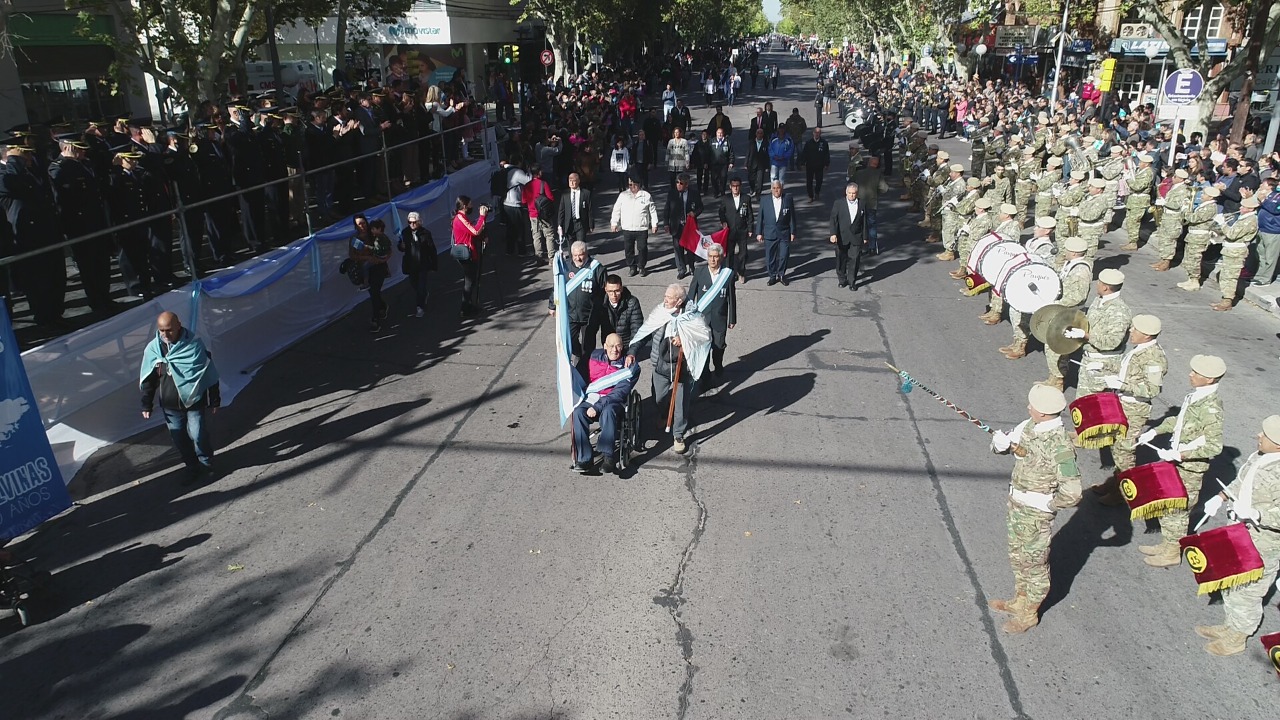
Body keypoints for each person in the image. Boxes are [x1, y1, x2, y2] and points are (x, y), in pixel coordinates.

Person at [987, 384, 1082, 634]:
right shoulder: (1029, 425)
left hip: (1036, 513)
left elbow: (1073, 492)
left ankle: (1029, 614)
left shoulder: (1060, 445)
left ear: (1043, 412)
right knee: (1017, 556)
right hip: (1017, 504)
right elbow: (1008, 446)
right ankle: (1020, 600)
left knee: (1035, 565)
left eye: (1033, 405)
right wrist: (1000, 444)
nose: (1028, 407)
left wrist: (1050, 504)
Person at [1192, 415, 1280, 657]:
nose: (1258, 436)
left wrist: (1257, 514)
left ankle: (1238, 637)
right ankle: (1230, 625)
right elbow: (1241, 483)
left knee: (1248, 592)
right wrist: (1220, 497)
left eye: (1265, 435)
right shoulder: (1260, 456)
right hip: (1239, 532)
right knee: (1232, 582)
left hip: (1262, 545)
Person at [1134, 354, 1226, 568]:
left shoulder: (1211, 408)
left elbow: (1214, 446)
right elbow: (1180, 420)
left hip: (1189, 468)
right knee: (1168, 507)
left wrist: (1181, 455)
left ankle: (1172, 553)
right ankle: (1167, 545)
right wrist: (1156, 431)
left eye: (1196, 373)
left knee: (1177, 512)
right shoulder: (1196, 396)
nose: (1190, 374)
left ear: (1210, 379)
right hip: (1177, 463)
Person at [1089, 314, 1167, 504]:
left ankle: (1123, 493)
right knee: (1116, 447)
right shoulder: (1139, 349)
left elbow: (1152, 390)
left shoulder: (1154, 358)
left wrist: (1122, 385)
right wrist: (1104, 367)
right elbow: (1126, 370)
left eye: (1135, 329)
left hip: (1134, 408)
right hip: (1122, 403)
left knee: (1124, 452)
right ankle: (1115, 483)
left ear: (1147, 335)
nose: (1131, 331)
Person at [139, 311, 221, 484]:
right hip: (170, 404)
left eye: (169, 330)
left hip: (194, 400)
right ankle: (192, 467)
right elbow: (149, 379)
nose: (165, 334)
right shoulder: (153, 349)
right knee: (179, 439)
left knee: (198, 435)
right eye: (161, 330)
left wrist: (214, 399)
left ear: (179, 325)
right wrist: (147, 404)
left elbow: (208, 371)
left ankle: (206, 463)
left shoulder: (194, 344)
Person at [1049, 268, 1129, 393]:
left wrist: (1086, 335)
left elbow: (1112, 342)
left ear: (1105, 288)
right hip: (1089, 360)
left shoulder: (1119, 311)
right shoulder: (1099, 300)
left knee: (1096, 402)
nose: (1097, 284)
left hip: (1103, 365)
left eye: (1099, 283)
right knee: (1082, 402)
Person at [570, 334, 638, 474]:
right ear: (605, 346)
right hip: (592, 398)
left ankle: (608, 457)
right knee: (577, 413)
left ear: (622, 347)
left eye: (618, 346)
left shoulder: (629, 365)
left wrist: (598, 406)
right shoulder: (592, 357)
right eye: (611, 346)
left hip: (613, 402)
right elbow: (578, 377)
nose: (615, 350)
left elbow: (619, 393)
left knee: (608, 412)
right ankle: (584, 458)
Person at [549, 240, 606, 367]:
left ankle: (584, 368)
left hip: (589, 316)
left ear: (586, 253)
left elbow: (604, 291)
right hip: (570, 314)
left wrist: (601, 311)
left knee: (588, 345)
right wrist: (553, 305)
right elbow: (557, 287)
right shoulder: (566, 267)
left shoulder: (597, 268)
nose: (578, 258)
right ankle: (578, 353)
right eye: (575, 255)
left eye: (581, 255)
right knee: (569, 340)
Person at [687, 244, 736, 378]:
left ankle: (718, 365)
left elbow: (731, 298)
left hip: (720, 318)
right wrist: (687, 315)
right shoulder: (699, 272)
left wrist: (732, 319)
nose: (713, 260)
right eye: (710, 256)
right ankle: (705, 374)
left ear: (720, 258)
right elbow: (691, 296)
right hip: (702, 319)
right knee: (704, 348)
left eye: (715, 257)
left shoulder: (728, 274)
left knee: (719, 346)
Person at [610, 174, 660, 277]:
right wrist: (614, 223)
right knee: (628, 249)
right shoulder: (623, 195)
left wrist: (654, 224)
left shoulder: (646, 195)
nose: (632, 187)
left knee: (642, 248)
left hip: (641, 228)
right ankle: (632, 267)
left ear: (639, 184)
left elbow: (652, 211)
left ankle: (641, 266)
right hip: (627, 228)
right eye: (630, 185)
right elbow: (616, 210)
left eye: (634, 185)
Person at [452, 195, 489, 316]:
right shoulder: (460, 218)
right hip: (466, 254)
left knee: (472, 280)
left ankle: (468, 304)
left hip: (470, 251)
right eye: (470, 204)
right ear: (464, 206)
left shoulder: (462, 217)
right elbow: (475, 231)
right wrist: (482, 216)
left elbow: (471, 233)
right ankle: (464, 308)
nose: (472, 206)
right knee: (469, 281)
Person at [829, 182, 868, 291]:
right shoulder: (838, 203)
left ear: (857, 193)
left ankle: (852, 281)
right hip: (842, 236)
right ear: (846, 193)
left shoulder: (862, 204)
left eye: (853, 193)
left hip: (856, 236)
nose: (851, 195)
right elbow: (833, 219)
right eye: (849, 193)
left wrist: (865, 236)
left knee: (855, 259)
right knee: (841, 259)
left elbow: (864, 221)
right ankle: (842, 279)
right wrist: (833, 234)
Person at [398, 211, 437, 318]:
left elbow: (432, 249)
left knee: (421, 286)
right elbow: (400, 246)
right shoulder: (405, 232)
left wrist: (434, 265)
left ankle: (420, 307)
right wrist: (401, 246)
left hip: (423, 263)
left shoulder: (425, 233)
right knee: (414, 284)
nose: (412, 224)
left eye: (414, 222)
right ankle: (423, 294)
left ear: (419, 222)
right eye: (409, 222)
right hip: (411, 264)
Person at [757, 180, 796, 286]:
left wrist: (793, 231)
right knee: (770, 256)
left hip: (784, 232)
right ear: (771, 189)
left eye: (778, 188)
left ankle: (781, 274)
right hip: (770, 232)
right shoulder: (765, 200)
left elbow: (792, 216)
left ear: (781, 188)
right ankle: (772, 276)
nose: (776, 190)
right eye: (774, 188)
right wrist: (759, 232)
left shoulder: (787, 198)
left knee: (784, 255)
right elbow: (760, 217)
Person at [665, 173, 703, 278]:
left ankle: (691, 266)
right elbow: (667, 209)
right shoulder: (672, 193)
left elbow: (700, 207)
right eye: (677, 182)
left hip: (689, 226)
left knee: (690, 248)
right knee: (678, 248)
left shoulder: (694, 193)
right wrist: (666, 223)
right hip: (676, 226)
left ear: (686, 184)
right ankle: (681, 269)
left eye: (681, 183)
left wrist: (694, 213)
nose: (678, 185)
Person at [718, 177, 755, 282]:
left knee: (743, 253)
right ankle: (730, 273)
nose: (735, 188)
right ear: (730, 187)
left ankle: (741, 272)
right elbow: (721, 212)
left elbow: (750, 214)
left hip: (742, 230)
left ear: (740, 186)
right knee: (730, 254)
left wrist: (750, 228)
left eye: (737, 186)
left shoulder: (746, 198)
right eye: (733, 186)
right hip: (730, 231)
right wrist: (723, 221)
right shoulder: (726, 199)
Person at [850, 156, 884, 254]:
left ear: (869, 163)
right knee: (871, 225)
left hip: (859, 203)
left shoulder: (859, 173)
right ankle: (872, 247)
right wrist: (877, 191)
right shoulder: (878, 174)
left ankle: (858, 247)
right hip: (871, 203)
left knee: (858, 224)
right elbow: (884, 188)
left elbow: (850, 183)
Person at [599, 274, 644, 348]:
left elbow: (636, 329)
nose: (614, 295)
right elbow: (593, 327)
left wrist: (632, 351)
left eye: (617, 291)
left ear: (621, 289)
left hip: (626, 345)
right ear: (605, 289)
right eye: (610, 291)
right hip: (609, 346)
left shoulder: (632, 302)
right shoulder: (600, 303)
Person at [558, 172, 593, 255]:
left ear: (578, 181)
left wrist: (591, 224)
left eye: (574, 181)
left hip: (580, 222)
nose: (572, 183)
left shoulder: (585, 193)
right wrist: (560, 225)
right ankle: (572, 261)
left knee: (581, 245)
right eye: (570, 181)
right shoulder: (565, 194)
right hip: (569, 224)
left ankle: (582, 260)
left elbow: (589, 210)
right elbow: (561, 211)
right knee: (571, 246)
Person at [800, 127, 830, 203]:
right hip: (810, 165)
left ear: (820, 134)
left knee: (819, 181)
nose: (817, 134)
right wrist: (802, 163)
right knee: (809, 181)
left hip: (819, 165)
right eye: (815, 133)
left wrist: (826, 164)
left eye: (818, 133)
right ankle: (810, 196)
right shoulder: (808, 143)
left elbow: (826, 154)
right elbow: (804, 153)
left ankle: (817, 192)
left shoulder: (824, 143)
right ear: (813, 133)